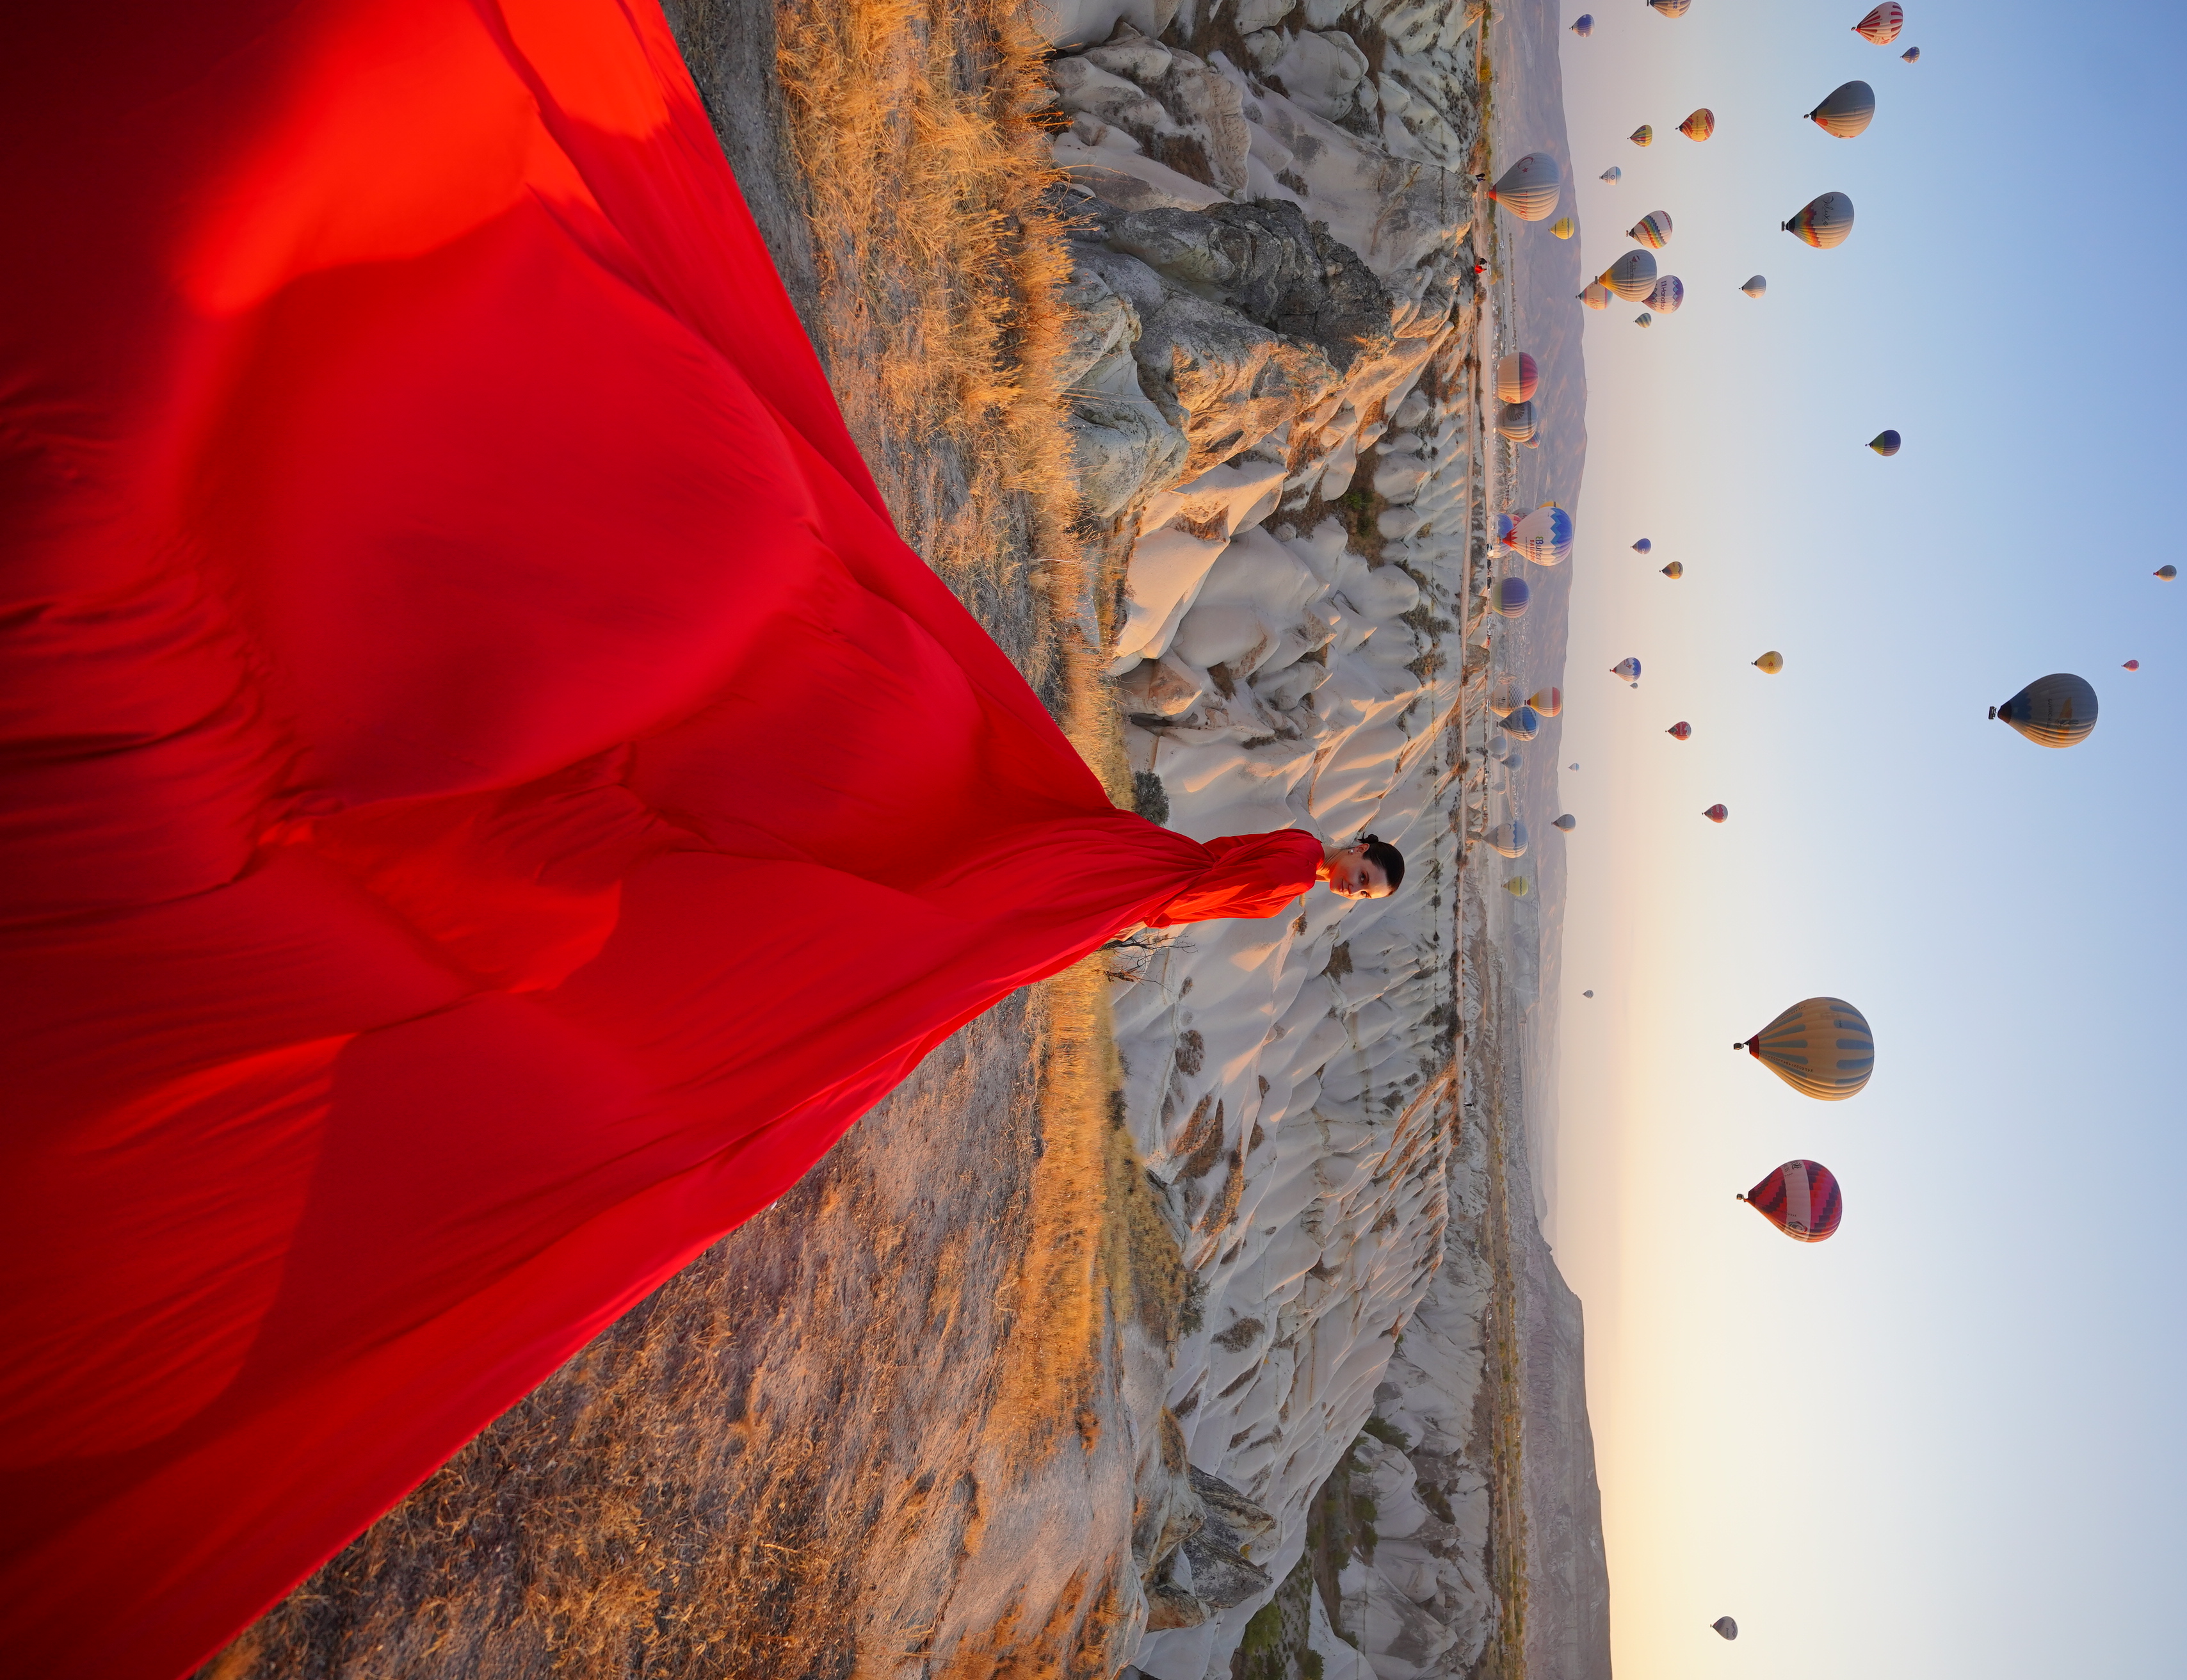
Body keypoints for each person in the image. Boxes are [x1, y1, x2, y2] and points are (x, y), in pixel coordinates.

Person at [0, 4, 1405, 1675]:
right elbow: (1179, 881)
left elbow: (1162, 885)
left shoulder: (1230, 872)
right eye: (1355, 875)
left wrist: (1142, 895)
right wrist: (1156, 892)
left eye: (1355, 877)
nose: (1343, 882)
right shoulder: (1255, 865)